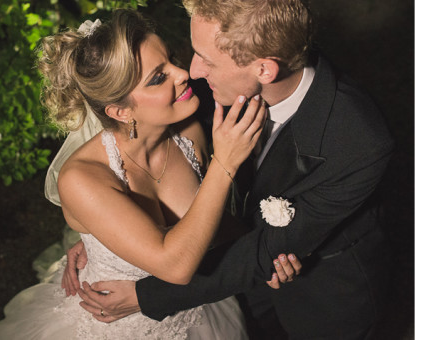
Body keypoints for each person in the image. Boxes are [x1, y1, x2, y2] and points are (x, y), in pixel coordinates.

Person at [69, 0, 395, 339]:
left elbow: (271, 246)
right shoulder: (198, 94)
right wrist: (104, 232)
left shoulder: (359, 141)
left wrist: (145, 295)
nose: (191, 72)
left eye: (206, 60)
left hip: (319, 295)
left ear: (264, 70)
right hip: (228, 287)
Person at [0, 9, 293, 340]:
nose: (183, 73)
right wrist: (224, 164)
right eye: (158, 77)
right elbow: (176, 266)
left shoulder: (188, 132)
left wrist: (262, 252)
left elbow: (208, 220)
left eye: (171, 59)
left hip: (197, 315)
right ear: (121, 111)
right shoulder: (82, 178)